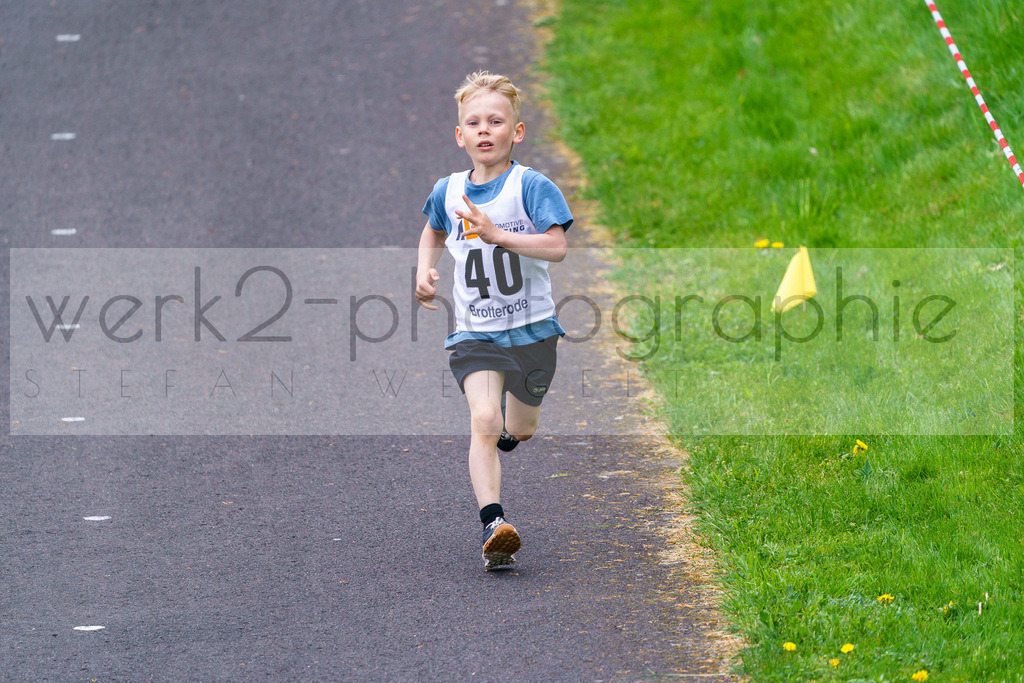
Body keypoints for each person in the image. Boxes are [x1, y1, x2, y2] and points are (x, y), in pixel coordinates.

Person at [415, 71, 573, 571]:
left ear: (517, 132)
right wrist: (424, 271)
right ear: (460, 136)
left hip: (533, 331)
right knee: (483, 420)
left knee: (520, 428)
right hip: (476, 331)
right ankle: (494, 525)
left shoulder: (531, 186)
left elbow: (557, 246)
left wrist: (499, 235)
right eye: (474, 123)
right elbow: (431, 231)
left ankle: (510, 430)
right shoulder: (449, 190)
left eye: (496, 121)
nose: (485, 130)